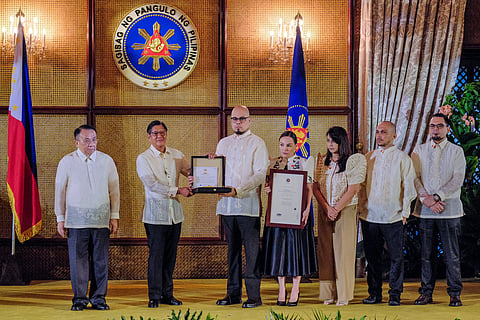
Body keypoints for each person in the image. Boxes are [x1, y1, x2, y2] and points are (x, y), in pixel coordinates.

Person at [55, 124, 120, 311]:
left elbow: (114, 190)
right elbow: (59, 191)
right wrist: (61, 218)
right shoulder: (66, 162)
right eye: (86, 140)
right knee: (78, 260)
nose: (91, 143)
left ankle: (99, 298)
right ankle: (80, 299)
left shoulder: (107, 161)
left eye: (94, 139)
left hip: (101, 219)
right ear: (77, 142)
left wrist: (114, 216)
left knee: (101, 261)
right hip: (75, 221)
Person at [214, 105, 269, 308]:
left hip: (248, 206)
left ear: (250, 120)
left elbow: (260, 175)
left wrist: (238, 190)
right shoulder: (223, 143)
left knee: (252, 253)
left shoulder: (258, 143)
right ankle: (233, 294)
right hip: (227, 206)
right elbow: (217, 172)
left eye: (242, 119)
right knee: (232, 252)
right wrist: (210, 168)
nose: (238, 122)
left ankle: (254, 296)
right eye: (234, 119)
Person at [358, 121, 416, 306]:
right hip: (370, 216)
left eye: (383, 132)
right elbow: (360, 186)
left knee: (396, 258)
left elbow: (409, 187)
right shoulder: (368, 157)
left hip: (394, 215)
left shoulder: (402, 158)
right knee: (372, 258)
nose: (379, 135)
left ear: (394, 136)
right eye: (377, 132)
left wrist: (405, 211)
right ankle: (374, 293)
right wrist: (360, 208)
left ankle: (395, 295)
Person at [411, 113, 466, 307]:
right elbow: (414, 177)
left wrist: (436, 197)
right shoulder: (419, 150)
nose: (436, 129)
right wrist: (426, 200)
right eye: (432, 126)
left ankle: (454, 294)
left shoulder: (456, 151)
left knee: (451, 254)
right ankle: (426, 293)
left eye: (440, 126)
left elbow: (458, 179)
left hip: (449, 210)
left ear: (448, 129)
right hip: (425, 210)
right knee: (426, 254)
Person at [136, 120, 192, 308]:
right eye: (155, 133)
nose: (159, 136)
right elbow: (152, 184)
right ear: (149, 136)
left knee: (170, 257)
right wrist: (178, 190)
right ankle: (154, 296)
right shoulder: (143, 158)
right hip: (155, 216)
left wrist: (205, 167)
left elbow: (192, 171)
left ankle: (168, 294)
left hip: (175, 215)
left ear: (167, 134)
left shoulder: (176, 155)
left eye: (162, 133)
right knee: (156, 257)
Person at [263, 131, 318, 307]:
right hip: (278, 213)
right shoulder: (274, 163)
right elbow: (268, 185)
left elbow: (309, 189)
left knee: (296, 250)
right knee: (278, 251)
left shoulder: (303, 162)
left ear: (296, 146)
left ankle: (295, 288)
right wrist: (268, 191)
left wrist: (307, 209)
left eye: (288, 145)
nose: (285, 148)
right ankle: (281, 288)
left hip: (298, 213)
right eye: (282, 144)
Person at [313, 126, 366, 306]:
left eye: (334, 141)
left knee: (344, 252)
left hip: (346, 209)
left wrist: (336, 208)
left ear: (342, 141)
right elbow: (315, 188)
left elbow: (354, 189)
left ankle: (343, 295)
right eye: (328, 140)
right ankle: (329, 294)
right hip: (325, 210)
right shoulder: (322, 162)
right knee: (326, 251)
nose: (331, 144)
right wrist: (327, 207)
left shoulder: (354, 161)